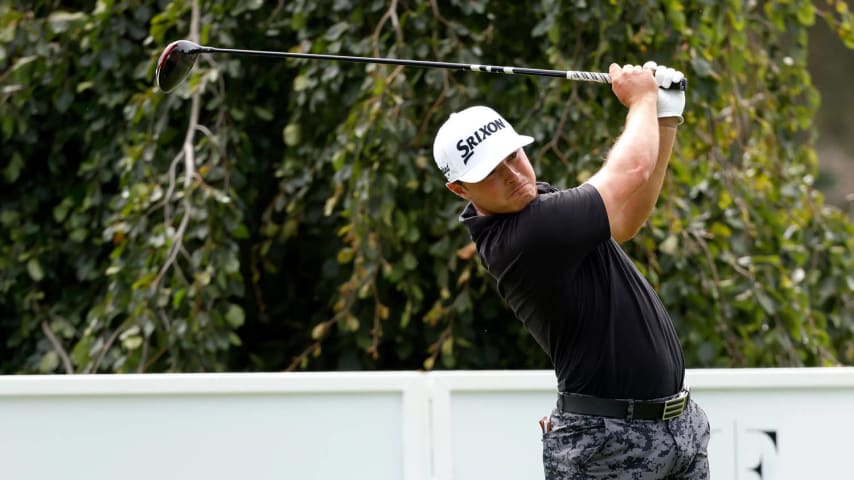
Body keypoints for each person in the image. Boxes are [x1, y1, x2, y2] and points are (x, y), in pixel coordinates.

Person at [432, 62, 710, 479]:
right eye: (491, 173)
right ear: (460, 189)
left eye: (512, 156)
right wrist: (642, 99)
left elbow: (625, 220)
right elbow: (630, 170)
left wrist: (664, 117)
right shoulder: (527, 235)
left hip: (675, 430)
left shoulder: (537, 207)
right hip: (607, 446)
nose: (512, 175)